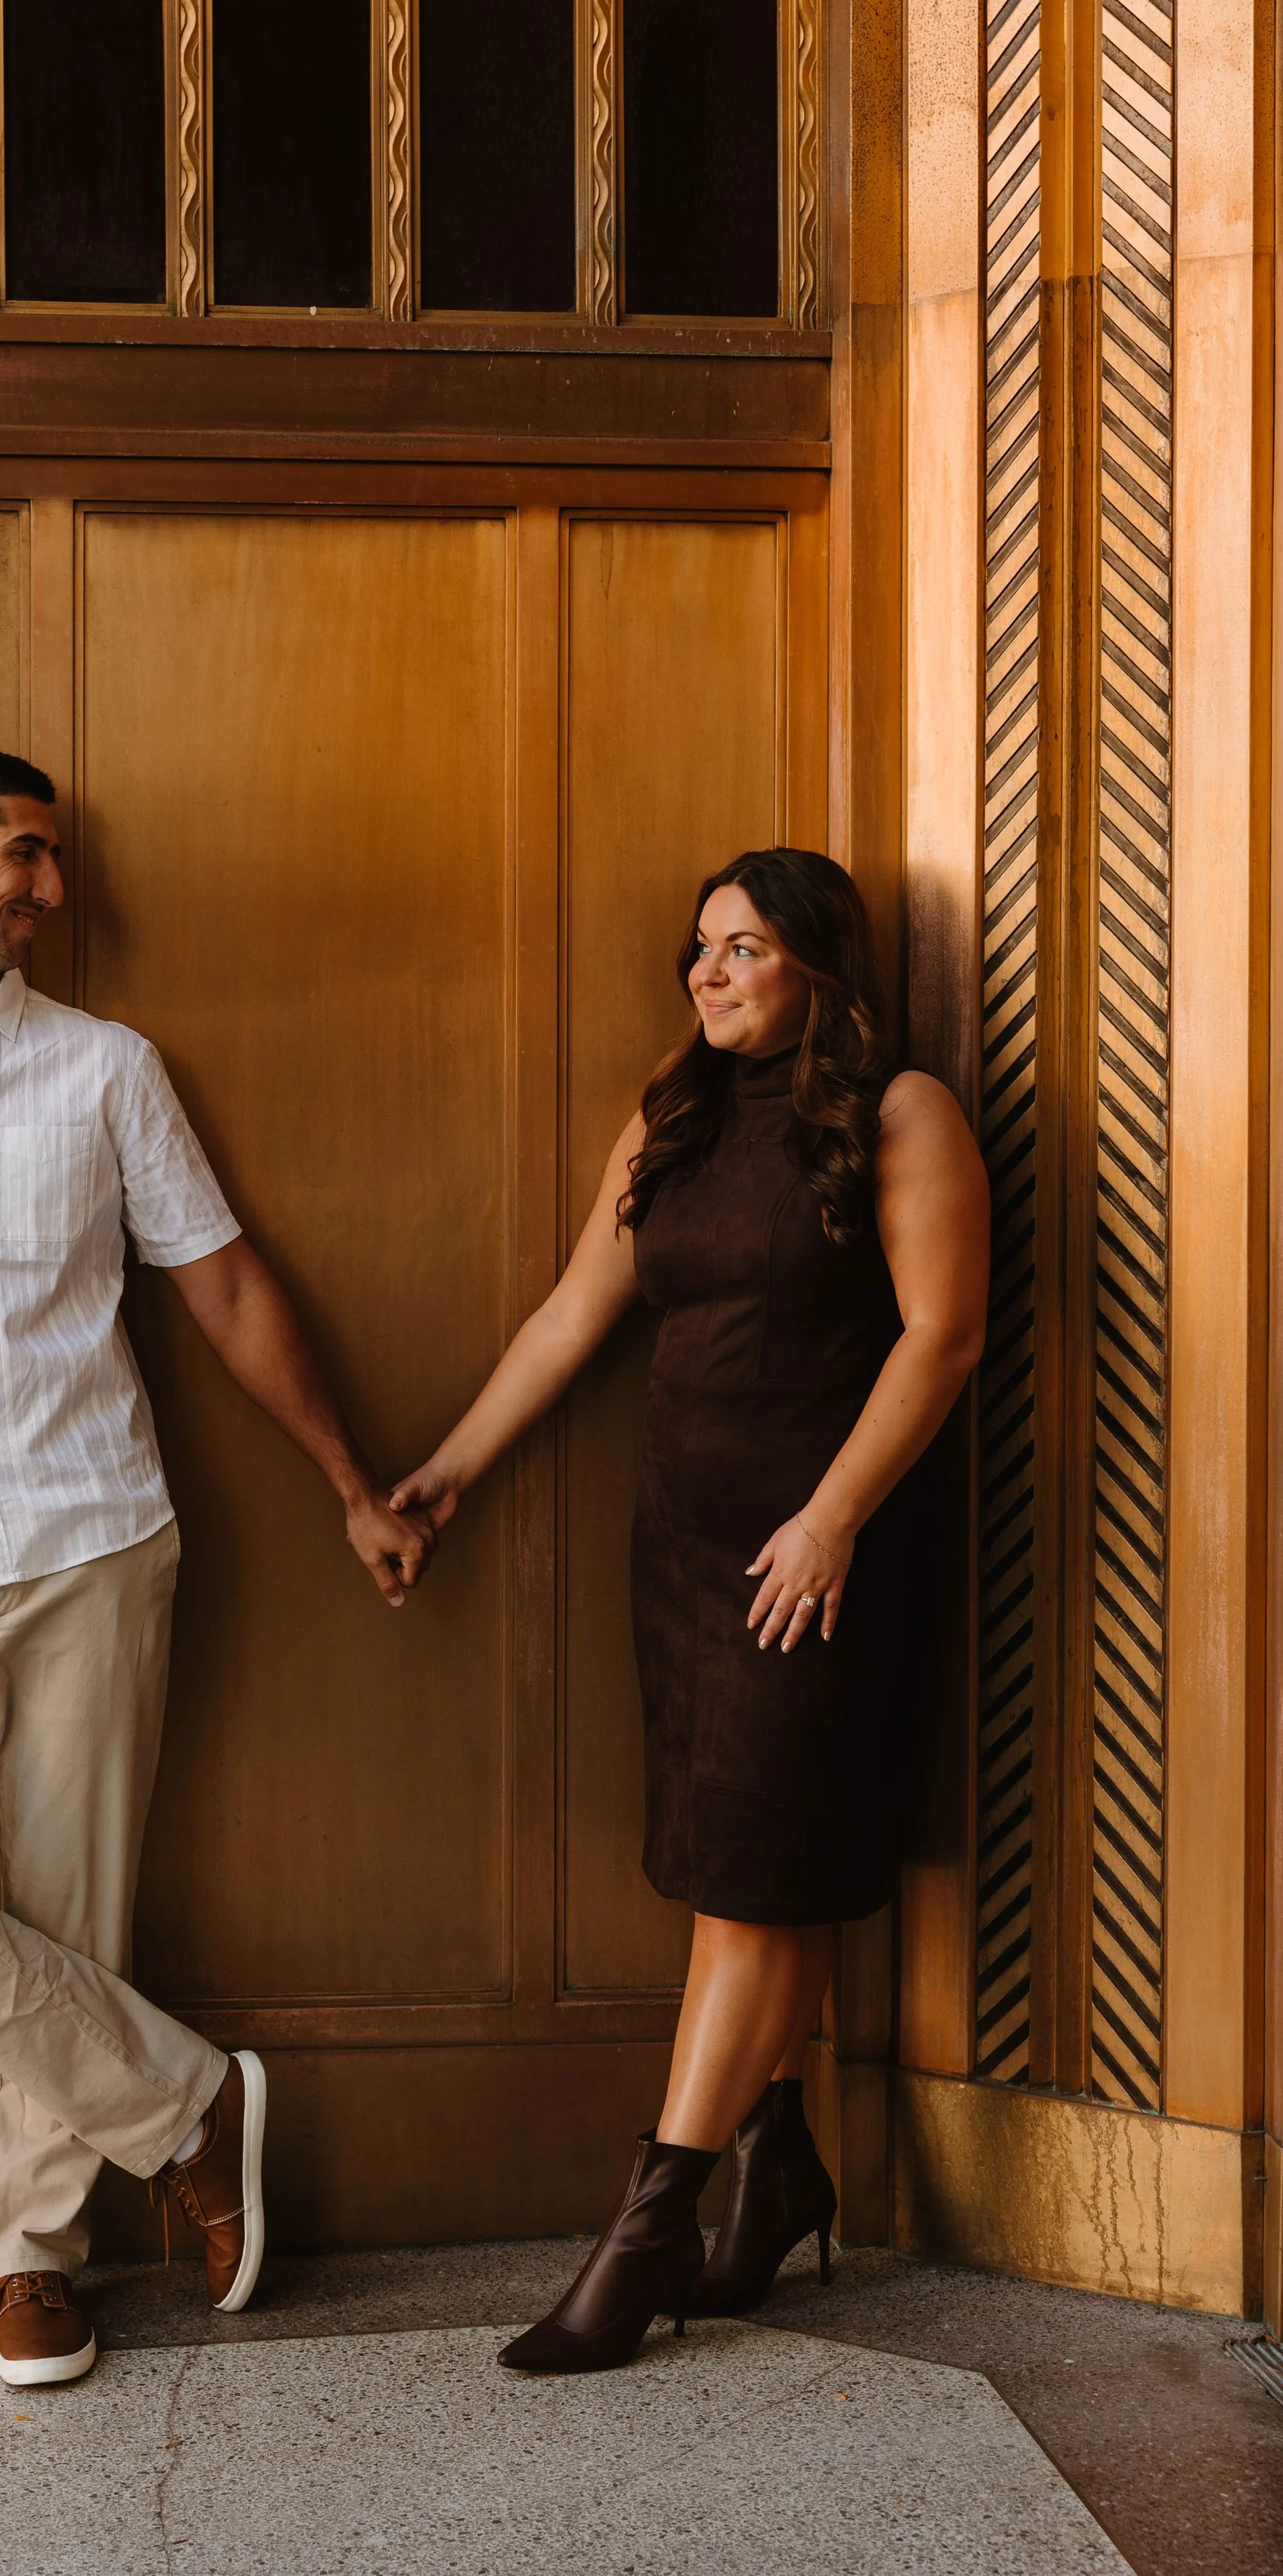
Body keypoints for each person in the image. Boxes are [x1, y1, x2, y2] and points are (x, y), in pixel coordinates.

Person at [0, 746, 433, 2391]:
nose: (54, 890)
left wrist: (348, 1483)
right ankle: (188, 2108)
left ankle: (30, 2265)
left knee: (68, 1912)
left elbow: (226, 1289)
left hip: (91, 1536)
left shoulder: (108, 1069)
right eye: (27, 858)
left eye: (50, 862)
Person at [393, 847, 988, 2374]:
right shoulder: (672, 1118)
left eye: (740, 950)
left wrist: (832, 1518)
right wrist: (446, 1473)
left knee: (752, 1893)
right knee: (740, 1875)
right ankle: (773, 2165)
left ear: (816, 968)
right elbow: (570, 1316)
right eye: (696, 949)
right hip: (682, 1554)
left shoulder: (900, 1114)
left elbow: (940, 1336)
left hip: (819, 1557)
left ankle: (644, 2233)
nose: (705, 975)